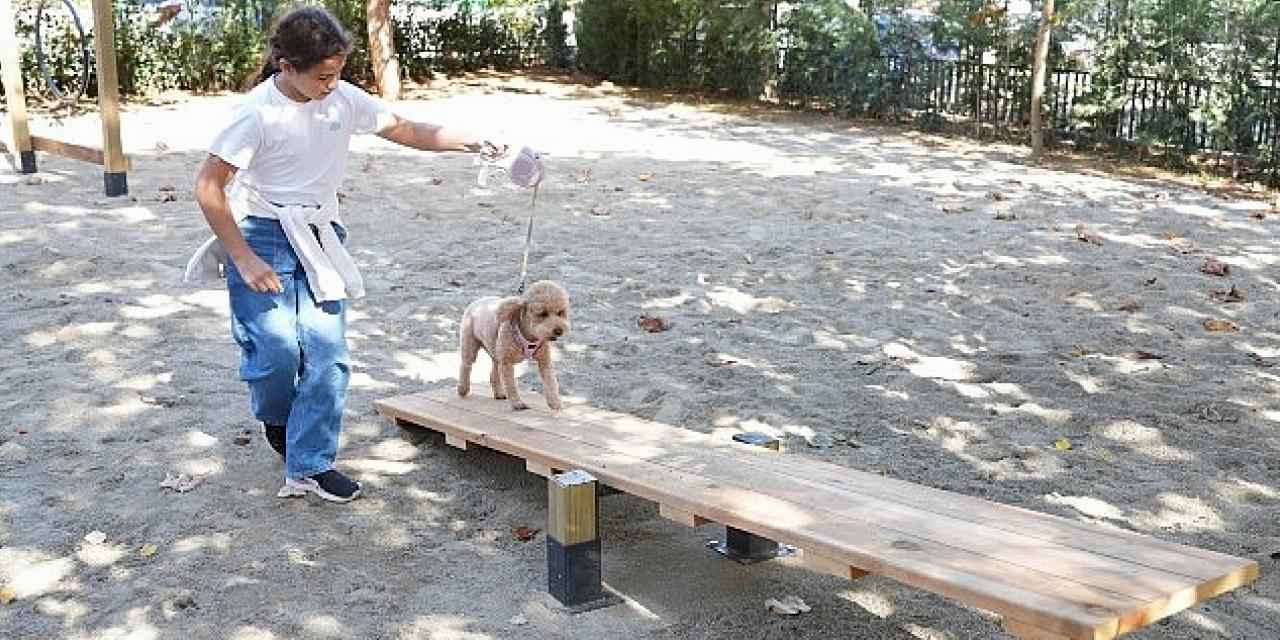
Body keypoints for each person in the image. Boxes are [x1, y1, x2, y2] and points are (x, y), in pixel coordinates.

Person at [189, 6, 502, 503]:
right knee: (274, 355)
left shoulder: (342, 98)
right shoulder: (255, 114)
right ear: (285, 66)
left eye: (338, 74)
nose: (332, 85)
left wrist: (470, 142)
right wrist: (243, 257)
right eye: (322, 76)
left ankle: (310, 464)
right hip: (263, 236)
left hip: (321, 237)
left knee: (327, 354)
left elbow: (405, 128)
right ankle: (278, 418)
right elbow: (208, 186)